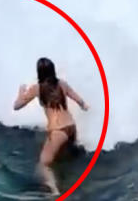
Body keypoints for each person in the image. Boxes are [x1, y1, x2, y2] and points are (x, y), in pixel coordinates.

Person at [13, 57, 89, 195]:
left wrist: (21, 91)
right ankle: (75, 185)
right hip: (71, 127)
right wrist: (86, 108)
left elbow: (16, 106)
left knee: (43, 165)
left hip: (58, 131)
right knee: (65, 160)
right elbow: (81, 102)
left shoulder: (37, 88)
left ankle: (55, 194)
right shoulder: (62, 84)